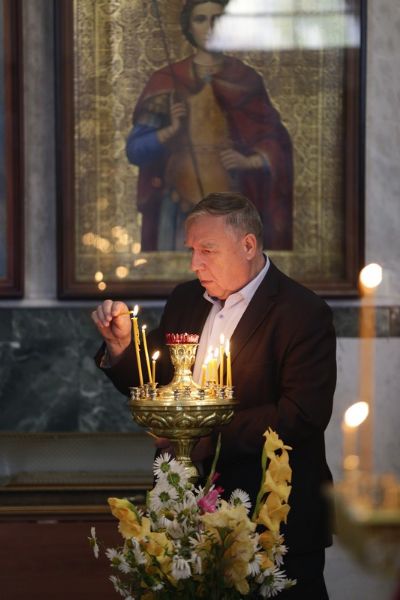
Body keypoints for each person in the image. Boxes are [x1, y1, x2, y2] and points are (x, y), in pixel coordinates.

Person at [92, 192, 336, 598]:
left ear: (248, 245)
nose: (195, 263)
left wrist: (208, 438)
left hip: (272, 518)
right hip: (185, 515)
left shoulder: (302, 312)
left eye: (207, 250)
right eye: (191, 250)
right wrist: (121, 347)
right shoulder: (186, 299)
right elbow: (161, 383)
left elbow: (302, 415)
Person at [126, 0, 293, 252]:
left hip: (233, 205)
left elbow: (277, 142)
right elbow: (136, 150)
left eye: (218, 19)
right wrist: (170, 131)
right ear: (189, 27)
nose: (210, 27)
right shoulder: (166, 81)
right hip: (179, 204)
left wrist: (249, 161)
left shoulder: (247, 81)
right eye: (200, 19)